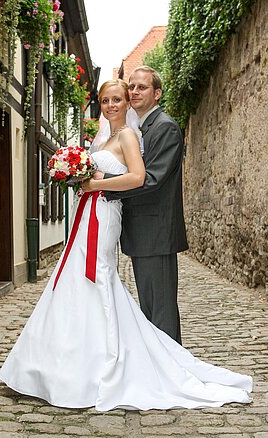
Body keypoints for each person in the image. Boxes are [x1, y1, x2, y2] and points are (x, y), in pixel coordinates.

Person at [0, 79, 252, 412]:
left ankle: (109, 365)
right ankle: (66, 362)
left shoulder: (130, 136)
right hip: (89, 213)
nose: (112, 105)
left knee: (97, 276)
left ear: (128, 104)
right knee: (75, 275)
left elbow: (138, 177)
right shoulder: (104, 137)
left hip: (104, 214)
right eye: (105, 100)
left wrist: (95, 186)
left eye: (118, 99)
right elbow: (99, 175)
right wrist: (77, 176)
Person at [103, 66, 188, 344]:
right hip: (142, 233)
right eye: (132, 86)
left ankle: (174, 374)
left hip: (156, 232)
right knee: (150, 309)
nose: (135, 91)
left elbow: (152, 180)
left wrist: (104, 187)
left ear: (157, 93)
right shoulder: (139, 128)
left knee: (160, 311)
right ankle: (159, 370)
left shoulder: (165, 127)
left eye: (142, 87)